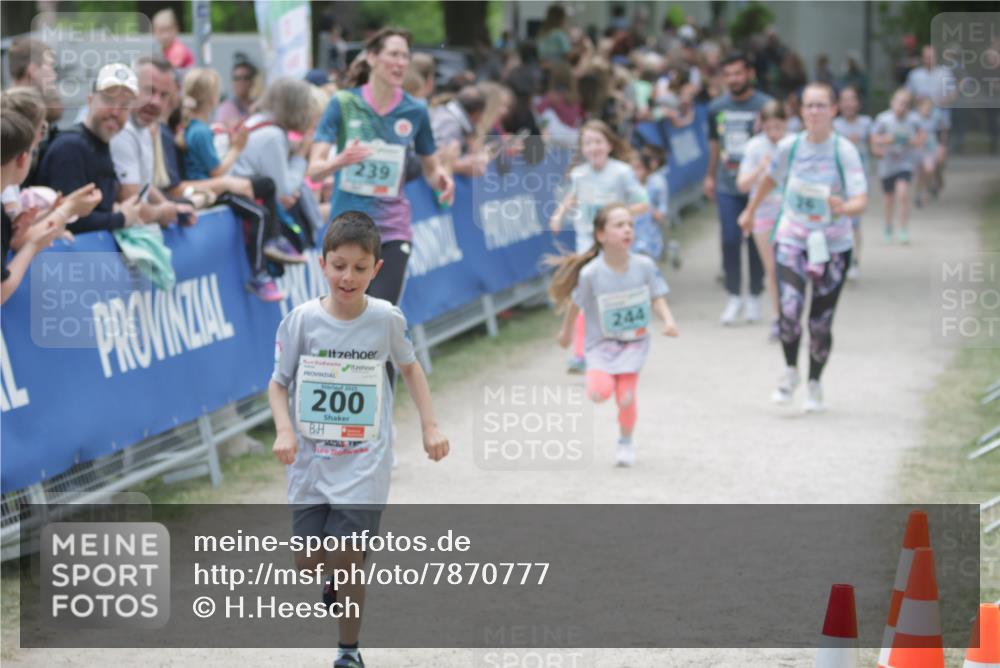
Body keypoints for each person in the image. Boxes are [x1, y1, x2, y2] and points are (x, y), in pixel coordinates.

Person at [269, 210, 448, 668]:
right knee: (309, 562)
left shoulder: (385, 319)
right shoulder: (301, 321)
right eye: (339, 266)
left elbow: (411, 368)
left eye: (359, 268)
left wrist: (429, 425)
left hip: (364, 462)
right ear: (322, 264)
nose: (347, 277)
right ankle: (333, 576)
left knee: (347, 558)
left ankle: (348, 651)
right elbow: (278, 383)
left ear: (376, 269)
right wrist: (285, 429)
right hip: (311, 463)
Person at [738, 82, 868, 413]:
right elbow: (770, 179)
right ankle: (790, 371)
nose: (814, 112)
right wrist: (750, 211)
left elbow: (861, 199)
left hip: (832, 244)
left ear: (833, 110)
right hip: (792, 238)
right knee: (790, 309)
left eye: (821, 105)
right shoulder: (789, 147)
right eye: (809, 105)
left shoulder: (844, 151)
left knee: (820, 322)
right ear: (800, 111)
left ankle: (814, 384)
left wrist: (843, 207)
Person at [307, 27, 454, 312]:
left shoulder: (415, 110)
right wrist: (340, 161)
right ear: (373, 58)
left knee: (381, 315)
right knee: (350, 317)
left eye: (405, 56)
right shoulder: (344, 103)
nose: (400, 63)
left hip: (392, 228)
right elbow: (314, 171)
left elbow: (431, 169)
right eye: (393, 54)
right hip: (347, 228)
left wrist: (442, 180)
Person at [549, 203, 678, 466]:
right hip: (600, 345)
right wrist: (566, 333)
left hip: (634, 344)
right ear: (601, 235)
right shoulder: (591, 273)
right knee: (598, 393)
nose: (627, 229)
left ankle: (625, 442)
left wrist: (668, 320)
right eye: (619, 225)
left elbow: (657, 296)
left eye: (630, 224)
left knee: (626, 397)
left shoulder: (644, 265)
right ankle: (601, 383)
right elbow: (576, 304)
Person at [178, 67, 306, 300]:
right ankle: (259, 275)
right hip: (212, 190)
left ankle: (274, 238)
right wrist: (236, 148)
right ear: (212, 98)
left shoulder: (199, 129)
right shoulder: (200, 132)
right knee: (259, 214)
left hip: (216, 185)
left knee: (267, 184)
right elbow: (218, 171)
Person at [549, 120, 649, 373]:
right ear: (582, 148)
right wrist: (558, 215)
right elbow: (573, 196)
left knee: (615, 296)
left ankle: (623, 347)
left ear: (609, 145)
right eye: (588, 143)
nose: (593, 147)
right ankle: (580, 352)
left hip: (615, 247)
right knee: (583, 295)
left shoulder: (622, 173)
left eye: (598, 142)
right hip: (587, 243)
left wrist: (617, 219)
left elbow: (643, 203)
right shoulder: (579, 175)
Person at [704, 51, 773, 325]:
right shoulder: (716, 108)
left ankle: (755, 294)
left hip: (758, 186)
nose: (733, 79)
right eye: (728, 74)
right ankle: (734, 295)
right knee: (730, 239)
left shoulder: (765, 105)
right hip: (727, 183)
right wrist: (709, 176)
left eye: (738, 73)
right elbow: (714, 144)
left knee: (757, 240)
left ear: (749, 74)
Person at [36, 63, 143, 234]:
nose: (115, 112)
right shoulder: (70, 147)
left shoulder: (100, 144)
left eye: (124, 106)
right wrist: (121, 218)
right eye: (109, 100)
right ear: (90, 100)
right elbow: (69, 219)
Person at [110, 56, 197, 228]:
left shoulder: (144, 126)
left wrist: (171, 207)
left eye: (164, 95)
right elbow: (132, 205)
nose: (156, 101)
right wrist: (164, 212)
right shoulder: (122, 131)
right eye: (149, 91)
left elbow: (144, 185)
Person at [736, 100, 787, 341]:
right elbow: (742, 184)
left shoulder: (793, 144)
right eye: (769, 128)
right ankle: (779, 317)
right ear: (761, 125)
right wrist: (760, 169)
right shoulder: (755, 147)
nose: (774, 133)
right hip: (763, 214)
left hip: (791, 215)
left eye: (778, 127)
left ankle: (792, 313)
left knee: (792, 269)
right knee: (773, 269)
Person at [871, 88, 923, 245]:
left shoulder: (914, 120)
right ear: (892, 103)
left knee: (903, 194)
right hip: (887, 164)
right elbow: (874, 139)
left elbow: (921, 138)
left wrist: (911, 141)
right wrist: (885, 142)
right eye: (900, 102)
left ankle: (903, 229)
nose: (902, 106)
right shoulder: (883, 119)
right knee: (889, 198)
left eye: (906, 103)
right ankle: (888, 227)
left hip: (905, 163)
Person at [833, 85, 872, 279]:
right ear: (838, 104)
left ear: (858, 103)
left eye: (852, 99)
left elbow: (874, 146)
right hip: (837, 183)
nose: (848, 103)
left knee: (854, 224)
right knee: (838, 221)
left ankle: (854, 261)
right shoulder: (834, 125)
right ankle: (838, 260)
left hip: (858, 182)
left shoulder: (866, 123)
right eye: (844, 99)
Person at [630, 144, 669, 261]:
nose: (635, 172)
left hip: (649, 236)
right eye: (632, 168)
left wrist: (650, 209)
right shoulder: (627, 186)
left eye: (638, 168)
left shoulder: (657, 183)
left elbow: (661, 213)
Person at [912, 96, 946, 208]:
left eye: (929, 107)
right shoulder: (913, 119)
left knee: (929, 169)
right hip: (918, 149)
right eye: (925, 107)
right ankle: (919, 193)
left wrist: (942, 146)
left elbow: (941, 133)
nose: (927, 109)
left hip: (930, 149)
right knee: (920, 174)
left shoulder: (935, 119)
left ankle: (927, 191)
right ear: (919, 107)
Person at [215, 56, 259, 130]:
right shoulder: (226, 108)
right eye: (237, 78)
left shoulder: (258, 106)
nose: (241, 82)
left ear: (252, 81)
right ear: (233, 82)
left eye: (246, 78)